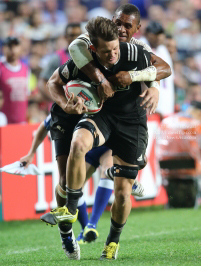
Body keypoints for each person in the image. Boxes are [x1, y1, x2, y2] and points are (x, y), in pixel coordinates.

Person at [41, 16, 166, 261]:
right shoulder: (79, 58)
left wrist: (152, 86)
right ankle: (71, 213)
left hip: (132, 123)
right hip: (100, 117)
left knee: (122, 193)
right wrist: (66, 105)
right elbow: (53, 82)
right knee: (75, 151)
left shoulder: (134, 51)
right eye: (105, 51)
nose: (112, 55)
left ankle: (113, 241)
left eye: (115, 49)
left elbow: (165, 69)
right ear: (93, 49)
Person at [140, 21, 174, 117]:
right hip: (150, 101)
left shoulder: (162, 49)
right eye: (155, 34)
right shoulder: (141, 47)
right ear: (148, 34)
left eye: (160, 34)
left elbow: (170, 76)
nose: (159, 37)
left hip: (165, 98)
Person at [0, 37, 30, 124]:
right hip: (4, 120)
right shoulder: (1, 68)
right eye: (9, 46)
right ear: (4, 48)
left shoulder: (25, 69)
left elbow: (27, 94)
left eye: (15, 46)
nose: (13, 49)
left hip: (21, 120)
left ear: (20, 48)